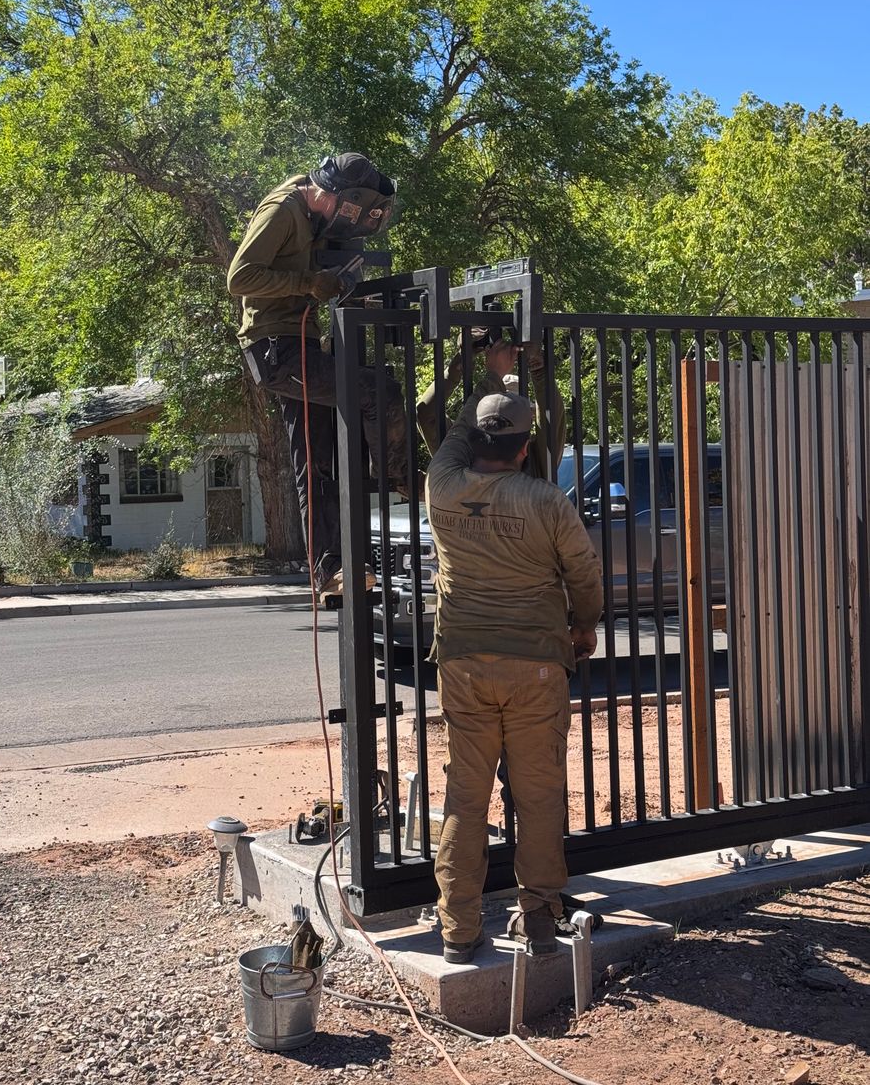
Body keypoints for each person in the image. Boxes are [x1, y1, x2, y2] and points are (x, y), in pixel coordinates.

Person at [425, 341, 604, 963]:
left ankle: (458, 931)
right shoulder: (546, 501)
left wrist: (489, 374)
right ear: (527, 450)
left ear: (475, 443)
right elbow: (583, 574)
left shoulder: (442, 487)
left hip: (464, 663)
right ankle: (541, 921)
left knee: (465, 799)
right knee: (537, 793)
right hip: (535, 666)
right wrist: (585, 629)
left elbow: (452, 432)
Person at [227, 153, 409, 597]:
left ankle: (334, 571)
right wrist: (308, 283)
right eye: (346, 210)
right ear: (327, 195)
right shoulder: (283, 210)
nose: (347, 220)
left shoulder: (313, 213)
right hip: (278, 351)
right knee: (376, 390)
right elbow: (240, 277)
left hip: (299, 345)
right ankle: (399, 477)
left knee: (317, 461)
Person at [416, 335, 567, 480]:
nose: (503, 414)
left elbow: (426, 414)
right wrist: (538, 368)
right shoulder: (536, 467)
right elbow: (426, 414)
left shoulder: (461, 454)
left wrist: (462, 363)